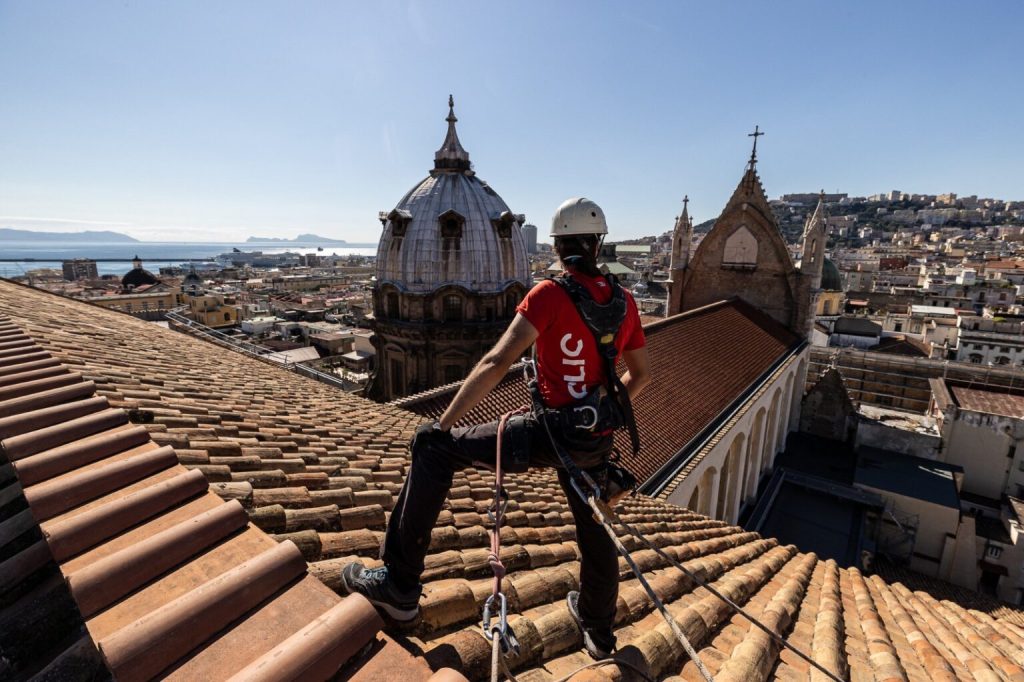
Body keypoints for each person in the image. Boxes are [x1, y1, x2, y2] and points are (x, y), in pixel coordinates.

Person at [341, 197, 650, 659]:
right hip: (594, 440)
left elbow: (496, 359)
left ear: (558, 244)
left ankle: (399, 586)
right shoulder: (624, 303)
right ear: (598, 244)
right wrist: (600, 405)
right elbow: (641, 375)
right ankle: (598, 630)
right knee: (596, 526)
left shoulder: (549, 295)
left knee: (434, 451)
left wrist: (442, 425)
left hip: (547, 433)